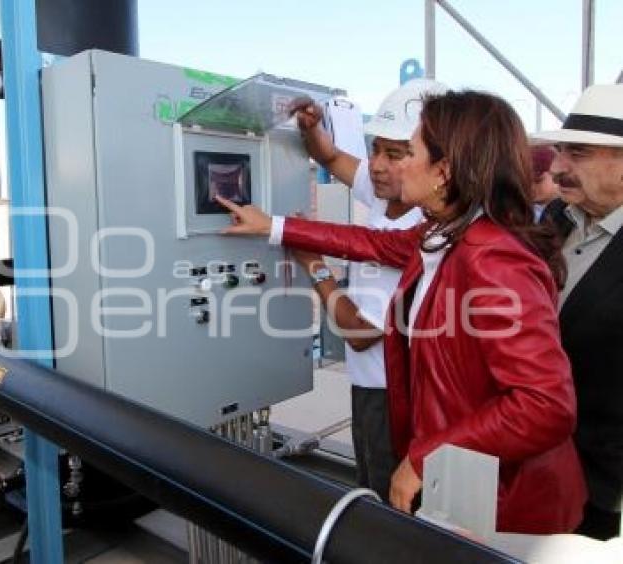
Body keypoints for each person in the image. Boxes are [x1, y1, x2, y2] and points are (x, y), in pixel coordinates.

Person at [217, 90, 586, 534]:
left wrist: (421, 458)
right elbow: (368, 242)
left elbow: (544, 405)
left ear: (443, 171)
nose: (391, 166)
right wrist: (273, 226)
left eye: (408, 151)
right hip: (460, 473)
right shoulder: (444, 235)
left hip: (498, 500)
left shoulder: (493, 258)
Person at [285, 78, 446, 502]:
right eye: (376, 148)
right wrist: (310, 126)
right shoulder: (384, 195)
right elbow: (332, 155)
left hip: (390, 396)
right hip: (369, 387)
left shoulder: (421, 232)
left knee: (384, 500)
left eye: (395, 154)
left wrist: (313, 264)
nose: (376, 164)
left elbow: (359, 334)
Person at [533, 83, 623, 540]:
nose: (557, 166)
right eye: (560, 151)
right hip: (534, 468)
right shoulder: (556, 217)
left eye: (579, 154)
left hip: (600, 491)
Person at [531, 145, 562, 221]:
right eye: (525, 181)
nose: (531, 187)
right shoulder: (519, 212)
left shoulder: (569, 212)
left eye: (538, 181)